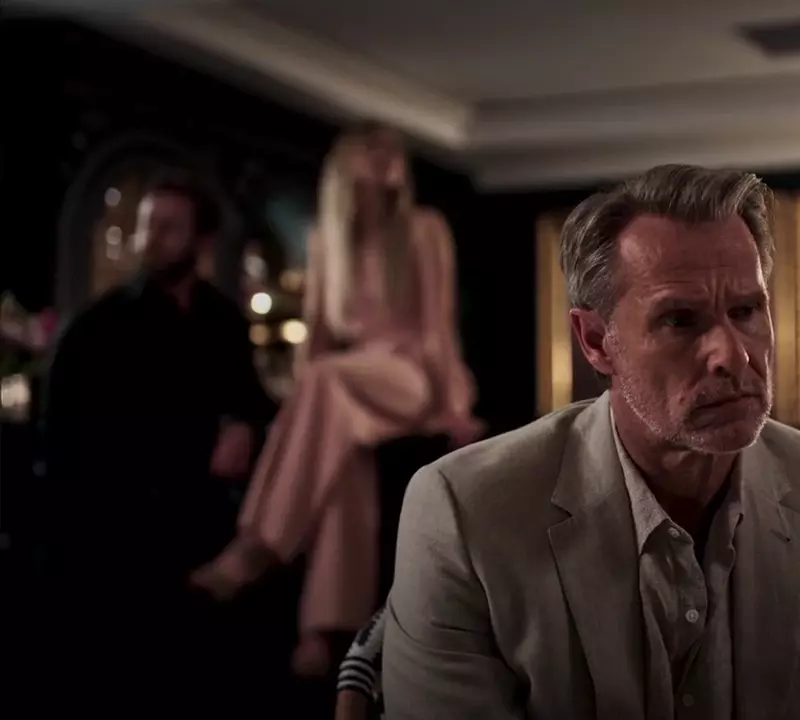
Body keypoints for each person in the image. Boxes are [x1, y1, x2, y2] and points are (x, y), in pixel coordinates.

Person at [384, 164, 800, 719]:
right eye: (680, 321)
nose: (733, 355)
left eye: (746, 310)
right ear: (596, 341)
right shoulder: (467, 512)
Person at [190, 121, 485, 677]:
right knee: (341, 461)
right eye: (373, 151)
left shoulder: (424, 229)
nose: (388, 159)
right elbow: (319, 336)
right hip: (349, 387)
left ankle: (258, 544)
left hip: (411, 376)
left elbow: (437, 327)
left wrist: (454, 407)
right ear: (346, 165)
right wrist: (300, 406)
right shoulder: (327, 242)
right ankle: (324, 632)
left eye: (393, 151)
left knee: (326, 383)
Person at [42, 171, 277, 717]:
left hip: (206, 524)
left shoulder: (221, 320)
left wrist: (246, 427)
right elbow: (75, 446)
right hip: (121, 535)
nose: (151, 238)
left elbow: (252, 403)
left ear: (202, 241)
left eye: (169, 227)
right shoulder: (100, 327)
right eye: (148, 226)